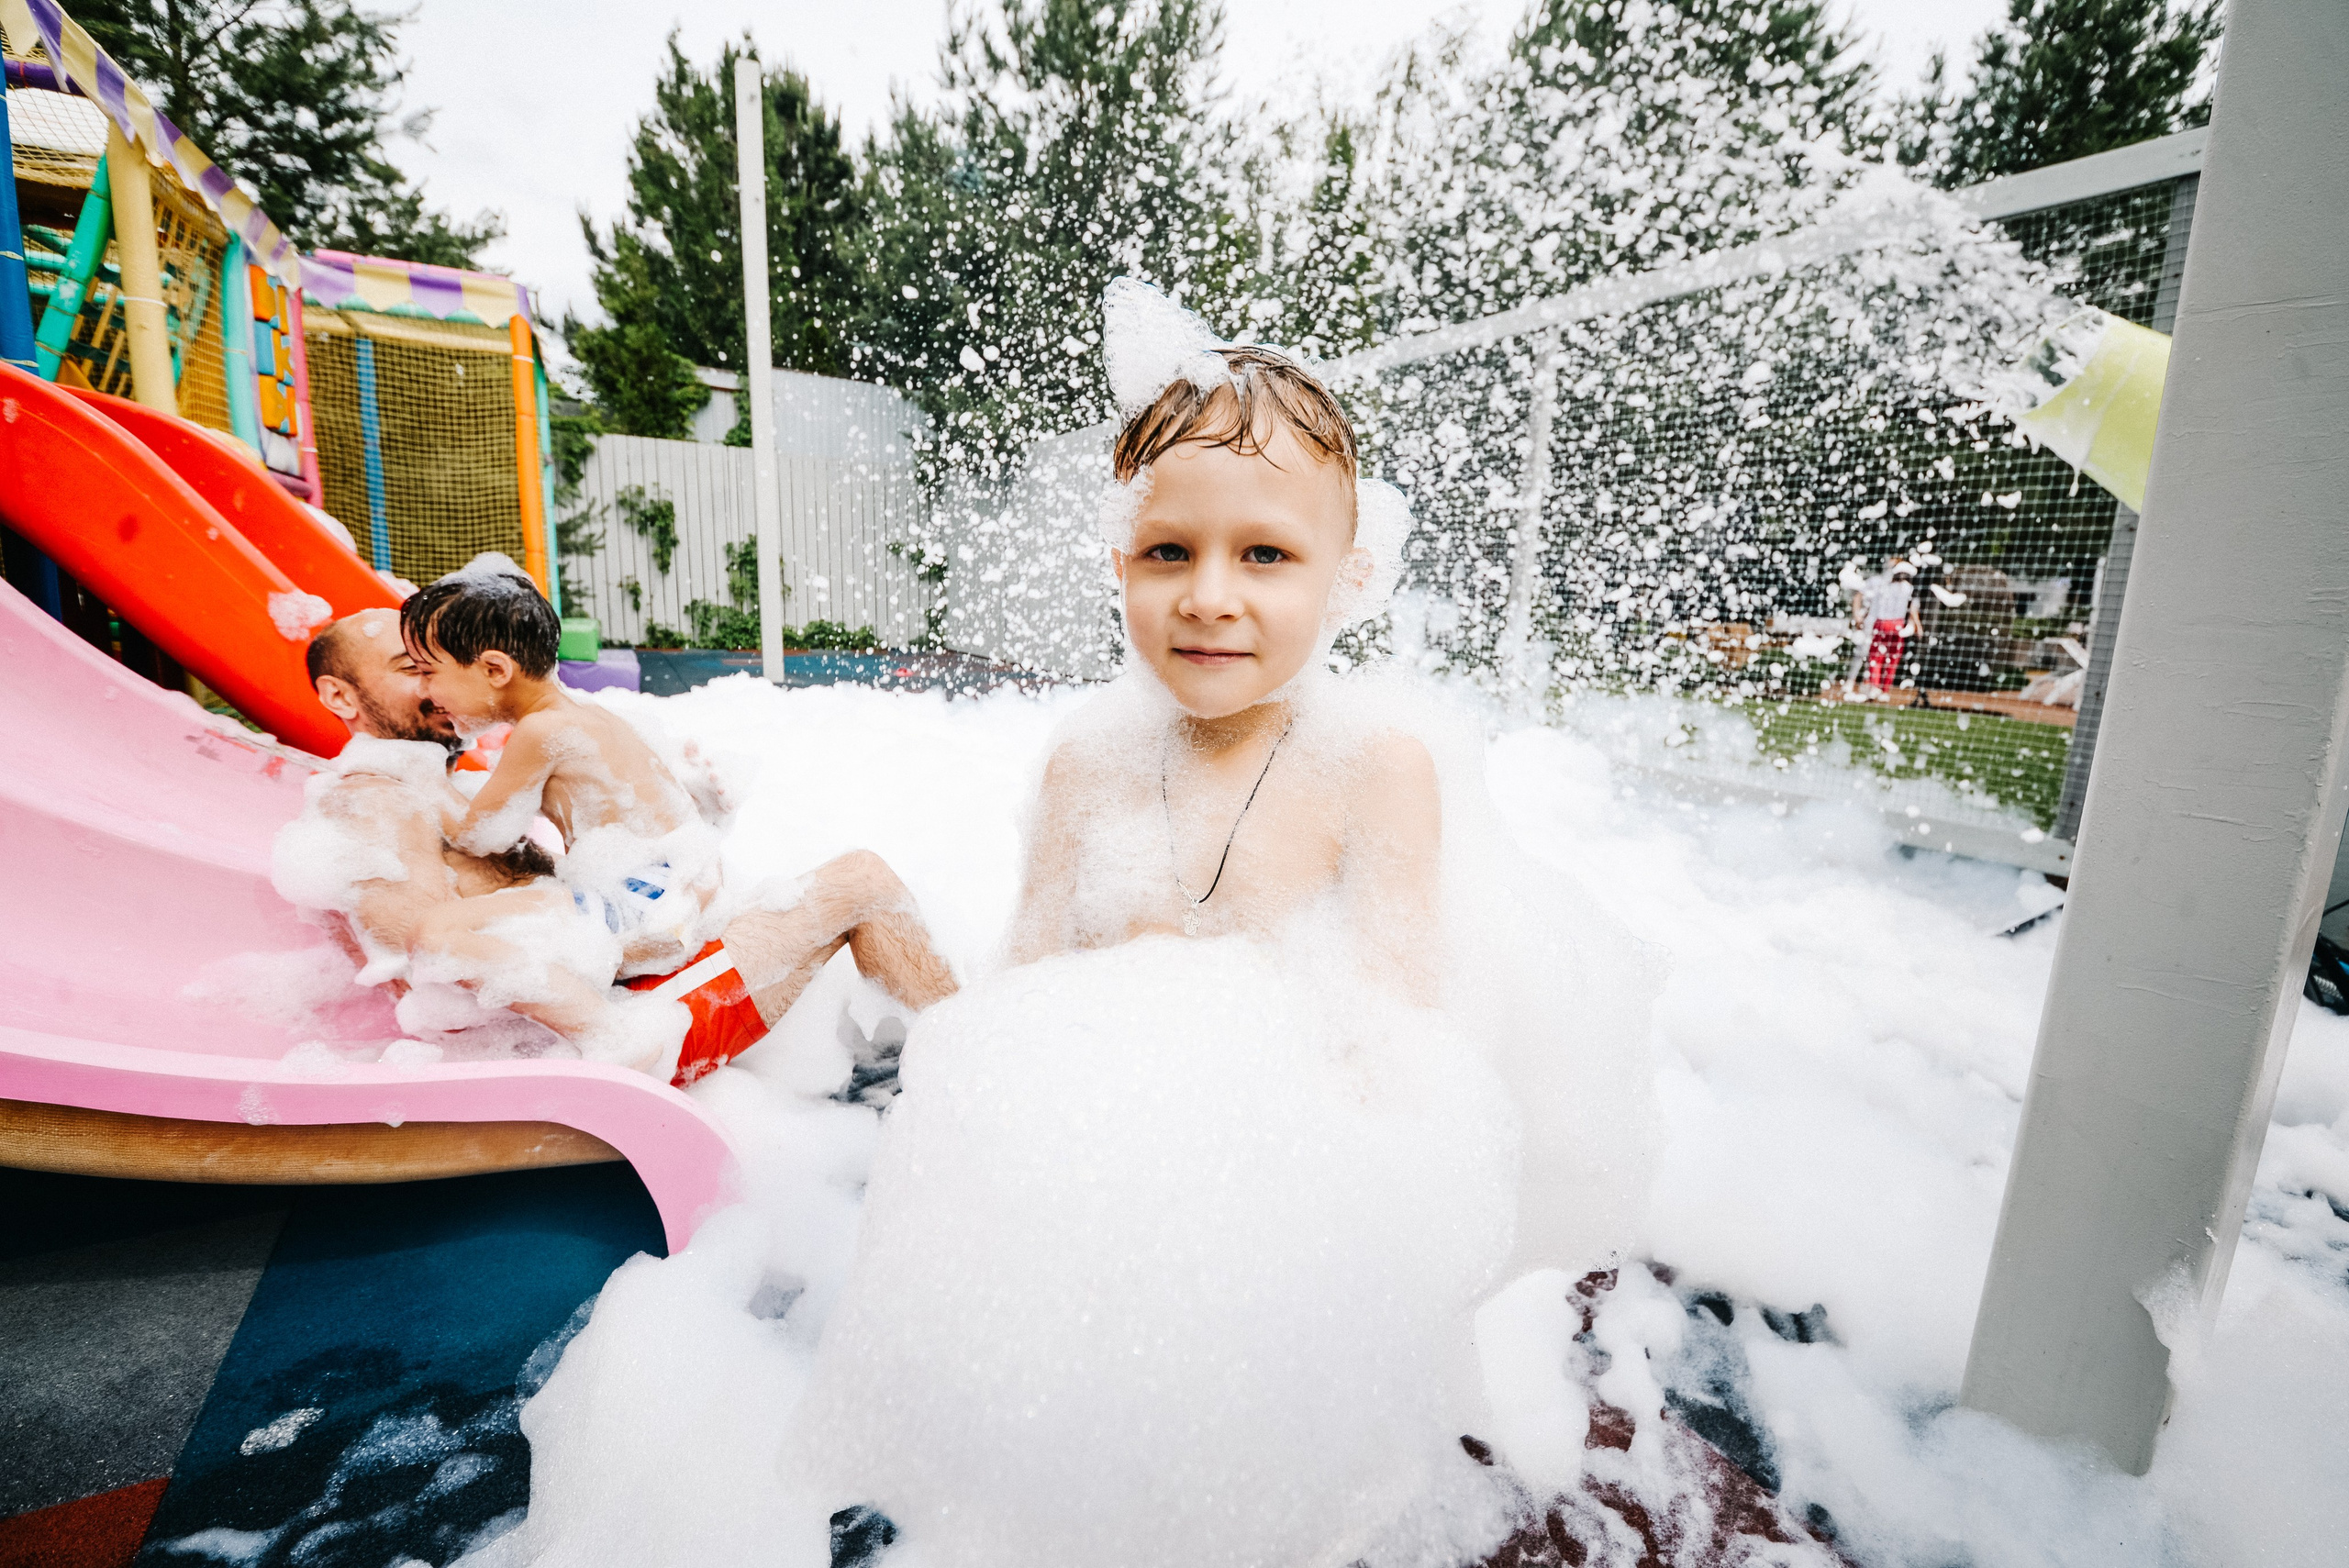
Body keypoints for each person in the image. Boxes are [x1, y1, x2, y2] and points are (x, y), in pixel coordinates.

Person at [785, 281, 1658, 1568]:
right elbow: (1025, 992)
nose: (1210, 594)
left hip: (1278, 1235)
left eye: (1265, 554)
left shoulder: (1376, 767)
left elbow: (1404, 1045)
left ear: (1347, 578)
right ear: (1118, 560)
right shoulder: (1085, 760)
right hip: (1084, 1197)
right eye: (1167, 552)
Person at [274, 604, 957, 1082]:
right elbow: (421, 958)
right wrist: (601, 1021)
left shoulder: (440, 780)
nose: (435, 687)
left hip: (615, 983)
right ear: (341, 697)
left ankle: (951, 1054)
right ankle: (978, 1062)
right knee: (863, 882)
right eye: (410, 670)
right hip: (614, 1032)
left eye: (435, 667)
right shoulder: (369, 801)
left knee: (843, 881)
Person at [1853, 556, 1919, 694]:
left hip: (1882, 623)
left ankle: (1874, 686)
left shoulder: (1885, 586)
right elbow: (1912, 610)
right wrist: (1917, 626)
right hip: (1898, 625)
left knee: (1876, 657)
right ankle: (1884, 690)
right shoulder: (1909, 588)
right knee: (1892, 659)